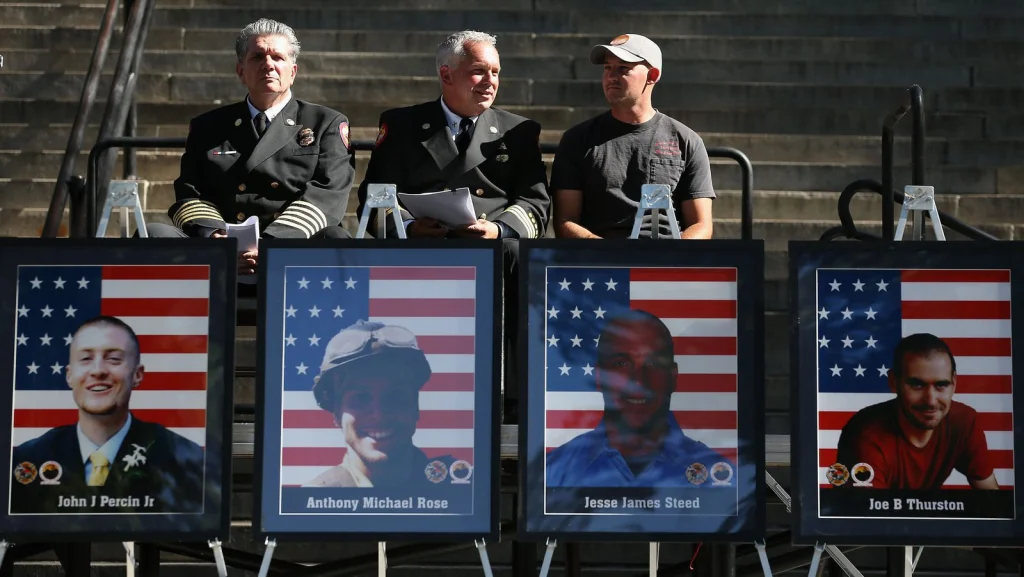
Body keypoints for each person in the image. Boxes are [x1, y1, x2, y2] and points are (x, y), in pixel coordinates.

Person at [355, 30, 550, 423]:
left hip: (491, 247)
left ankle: (513, 404)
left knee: (518, 256)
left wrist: (496, 230)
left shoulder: (518, 131)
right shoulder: (403, 125)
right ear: (447, 75)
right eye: (479, 71)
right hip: (422, 245)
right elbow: (373, 200)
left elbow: (535, 205)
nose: (490, 81)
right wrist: (407, 227)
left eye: (495, 72)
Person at [149, 18, 355, 278]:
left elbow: (328, 195)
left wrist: (271, 245)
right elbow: (190, 193)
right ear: (240, 71)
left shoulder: (325, 123)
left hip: (291, 247)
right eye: (257, 57)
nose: (268, 64)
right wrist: (218, 238)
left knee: (336, 238)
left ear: (293, 71)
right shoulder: (208, 126)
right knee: (155, 234)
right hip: (221, 248)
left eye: (278, 58)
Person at [10, 316, 206, 513]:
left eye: (113, 359)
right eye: (86, 359)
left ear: (138, 375)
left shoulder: (183, 460)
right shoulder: (29, 459)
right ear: (69, 375)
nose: (98, 371)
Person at [549, 33, 715, 240]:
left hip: (665, 262)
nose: (611, 76)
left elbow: (701, 225)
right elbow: (565, 221)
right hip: (598, 264)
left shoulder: (686, 141)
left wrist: (671, 256)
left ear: (652, 76)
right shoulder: (577, 140)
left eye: (623, 68)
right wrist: (607, 253)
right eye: (607, 68)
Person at [545, 310, 732, 487]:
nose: (638, 381)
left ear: (673, 377)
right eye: (621, 363)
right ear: (599, 377)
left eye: (653, 363)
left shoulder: (719, 475)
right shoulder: (555, 472)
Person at [303, 320, 458, 488]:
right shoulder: (315, 503)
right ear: (337, 414)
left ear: (415, 407)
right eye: (361, 398)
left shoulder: (461, 489)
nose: (379, 414)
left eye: (395, 397)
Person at [835, 333, 997, 490]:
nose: (931, 401)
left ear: (954, 383)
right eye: (917, 385)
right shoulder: (865, 436)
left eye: (941, 385)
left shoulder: (964, 421)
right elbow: (868, 515)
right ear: (893, 382)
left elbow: (992, 501)